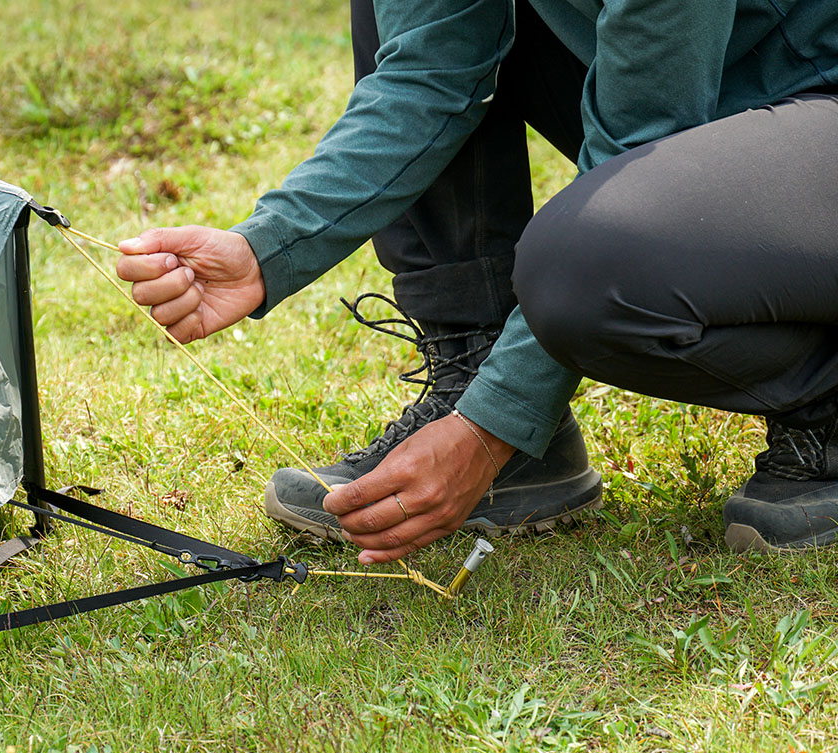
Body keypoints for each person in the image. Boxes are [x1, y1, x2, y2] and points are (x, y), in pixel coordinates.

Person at [115, 0, 838, 564]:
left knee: (586, 272)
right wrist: (265, 249)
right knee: (411, 17)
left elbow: (645, 133)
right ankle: (494, 402)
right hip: (732, 104)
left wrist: (492, 428)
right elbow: (427, 72)